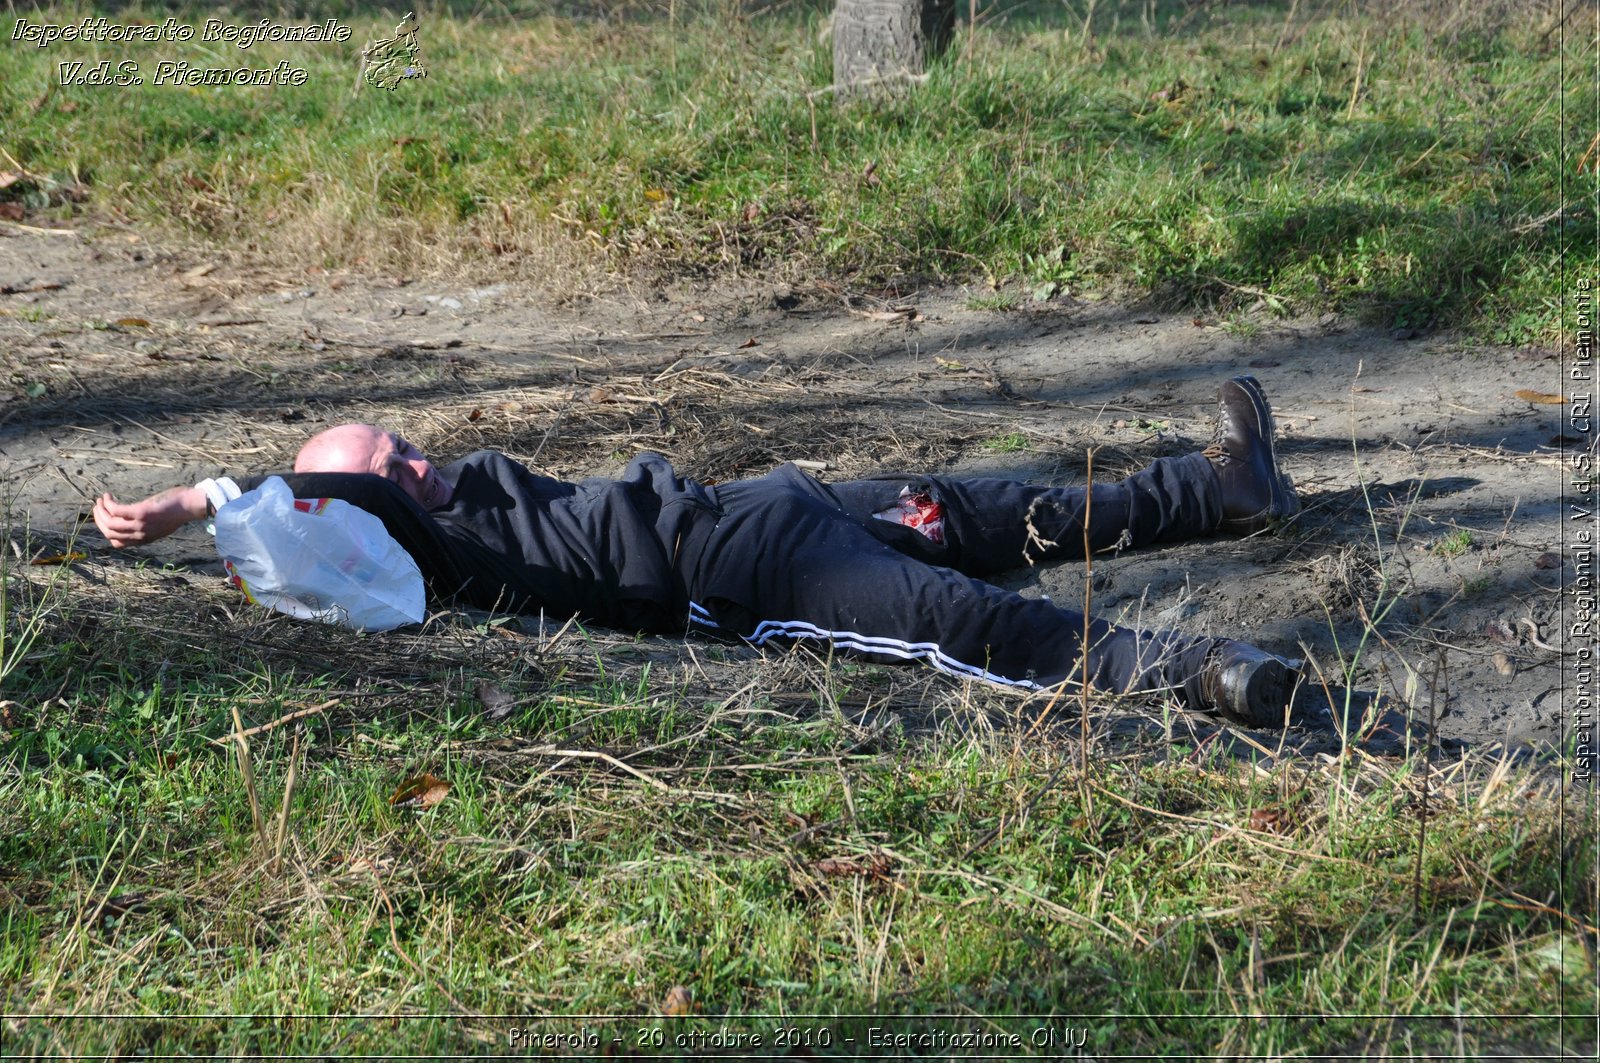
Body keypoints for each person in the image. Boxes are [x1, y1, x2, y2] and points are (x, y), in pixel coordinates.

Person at [93, 376, 1304, 724]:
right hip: (746, 580)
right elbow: (291, 514)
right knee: (956, 622)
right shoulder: (412, 544)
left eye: (405, 445)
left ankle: (1219, 491)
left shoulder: (455, 495)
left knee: (983, 511)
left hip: (762, 506)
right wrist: (195, 501)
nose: (418, 464)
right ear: (352, 513)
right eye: (386, 467)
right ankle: (1202, 671)